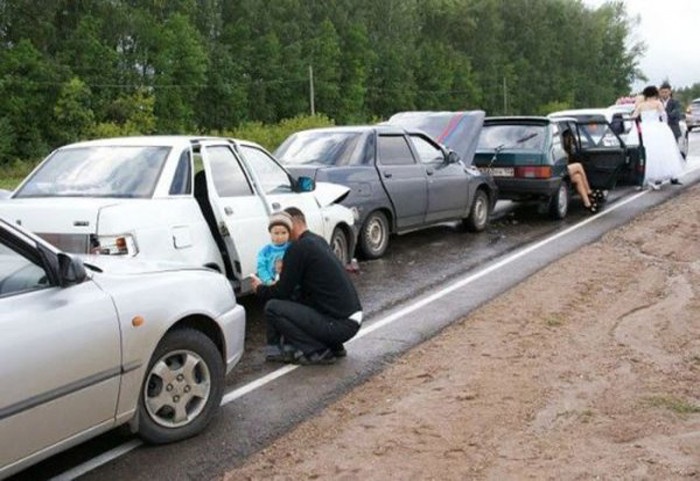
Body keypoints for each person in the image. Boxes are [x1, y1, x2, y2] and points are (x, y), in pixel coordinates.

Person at [250, 207, 363, 365]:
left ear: (292, 224)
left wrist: (260, 288)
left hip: (339, 325)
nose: (282, 235)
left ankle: (317, 351)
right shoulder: (317, 240)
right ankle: (334, 346)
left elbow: (282, 292)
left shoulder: (298, 248)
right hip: (350, 320)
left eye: (284, 229)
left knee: (272, 308)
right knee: (299, 301)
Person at [632, 85, 685, 190]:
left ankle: (643, 179)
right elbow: (663, 115)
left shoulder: (641, 105)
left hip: (644, 129)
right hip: (657, 128)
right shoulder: (658, 103)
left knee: (644, 153)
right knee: (659, 153)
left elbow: (634, 116)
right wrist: (664, 126)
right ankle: (656, 179)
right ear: (655, 94)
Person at [561, 129, 602, 213]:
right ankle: (589, 191)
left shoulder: (569, 148)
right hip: (561, 170)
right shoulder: (561, 148)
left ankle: (587, 204)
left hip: (565, 171)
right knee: (579, 166)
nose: (571, 140)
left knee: (578, 178)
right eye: (570, 138)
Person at [256, 211, 292, 285]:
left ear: (289, 233)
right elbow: (261, 268)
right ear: (270, 233)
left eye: (284, 232)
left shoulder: (292, 248)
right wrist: (268, 281)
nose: (280, 237)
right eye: (276, 233)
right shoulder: (265, 251)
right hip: (271, 284)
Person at [659, 81, 685, 161]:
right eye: (662, 92)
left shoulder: (675, 102)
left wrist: (664, 115)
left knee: (674, 148)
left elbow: (675, 113)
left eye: (666, 92)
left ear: (670, 91)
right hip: (661, 130)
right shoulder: (658, 103)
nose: (664, 94)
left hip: (673, 128)